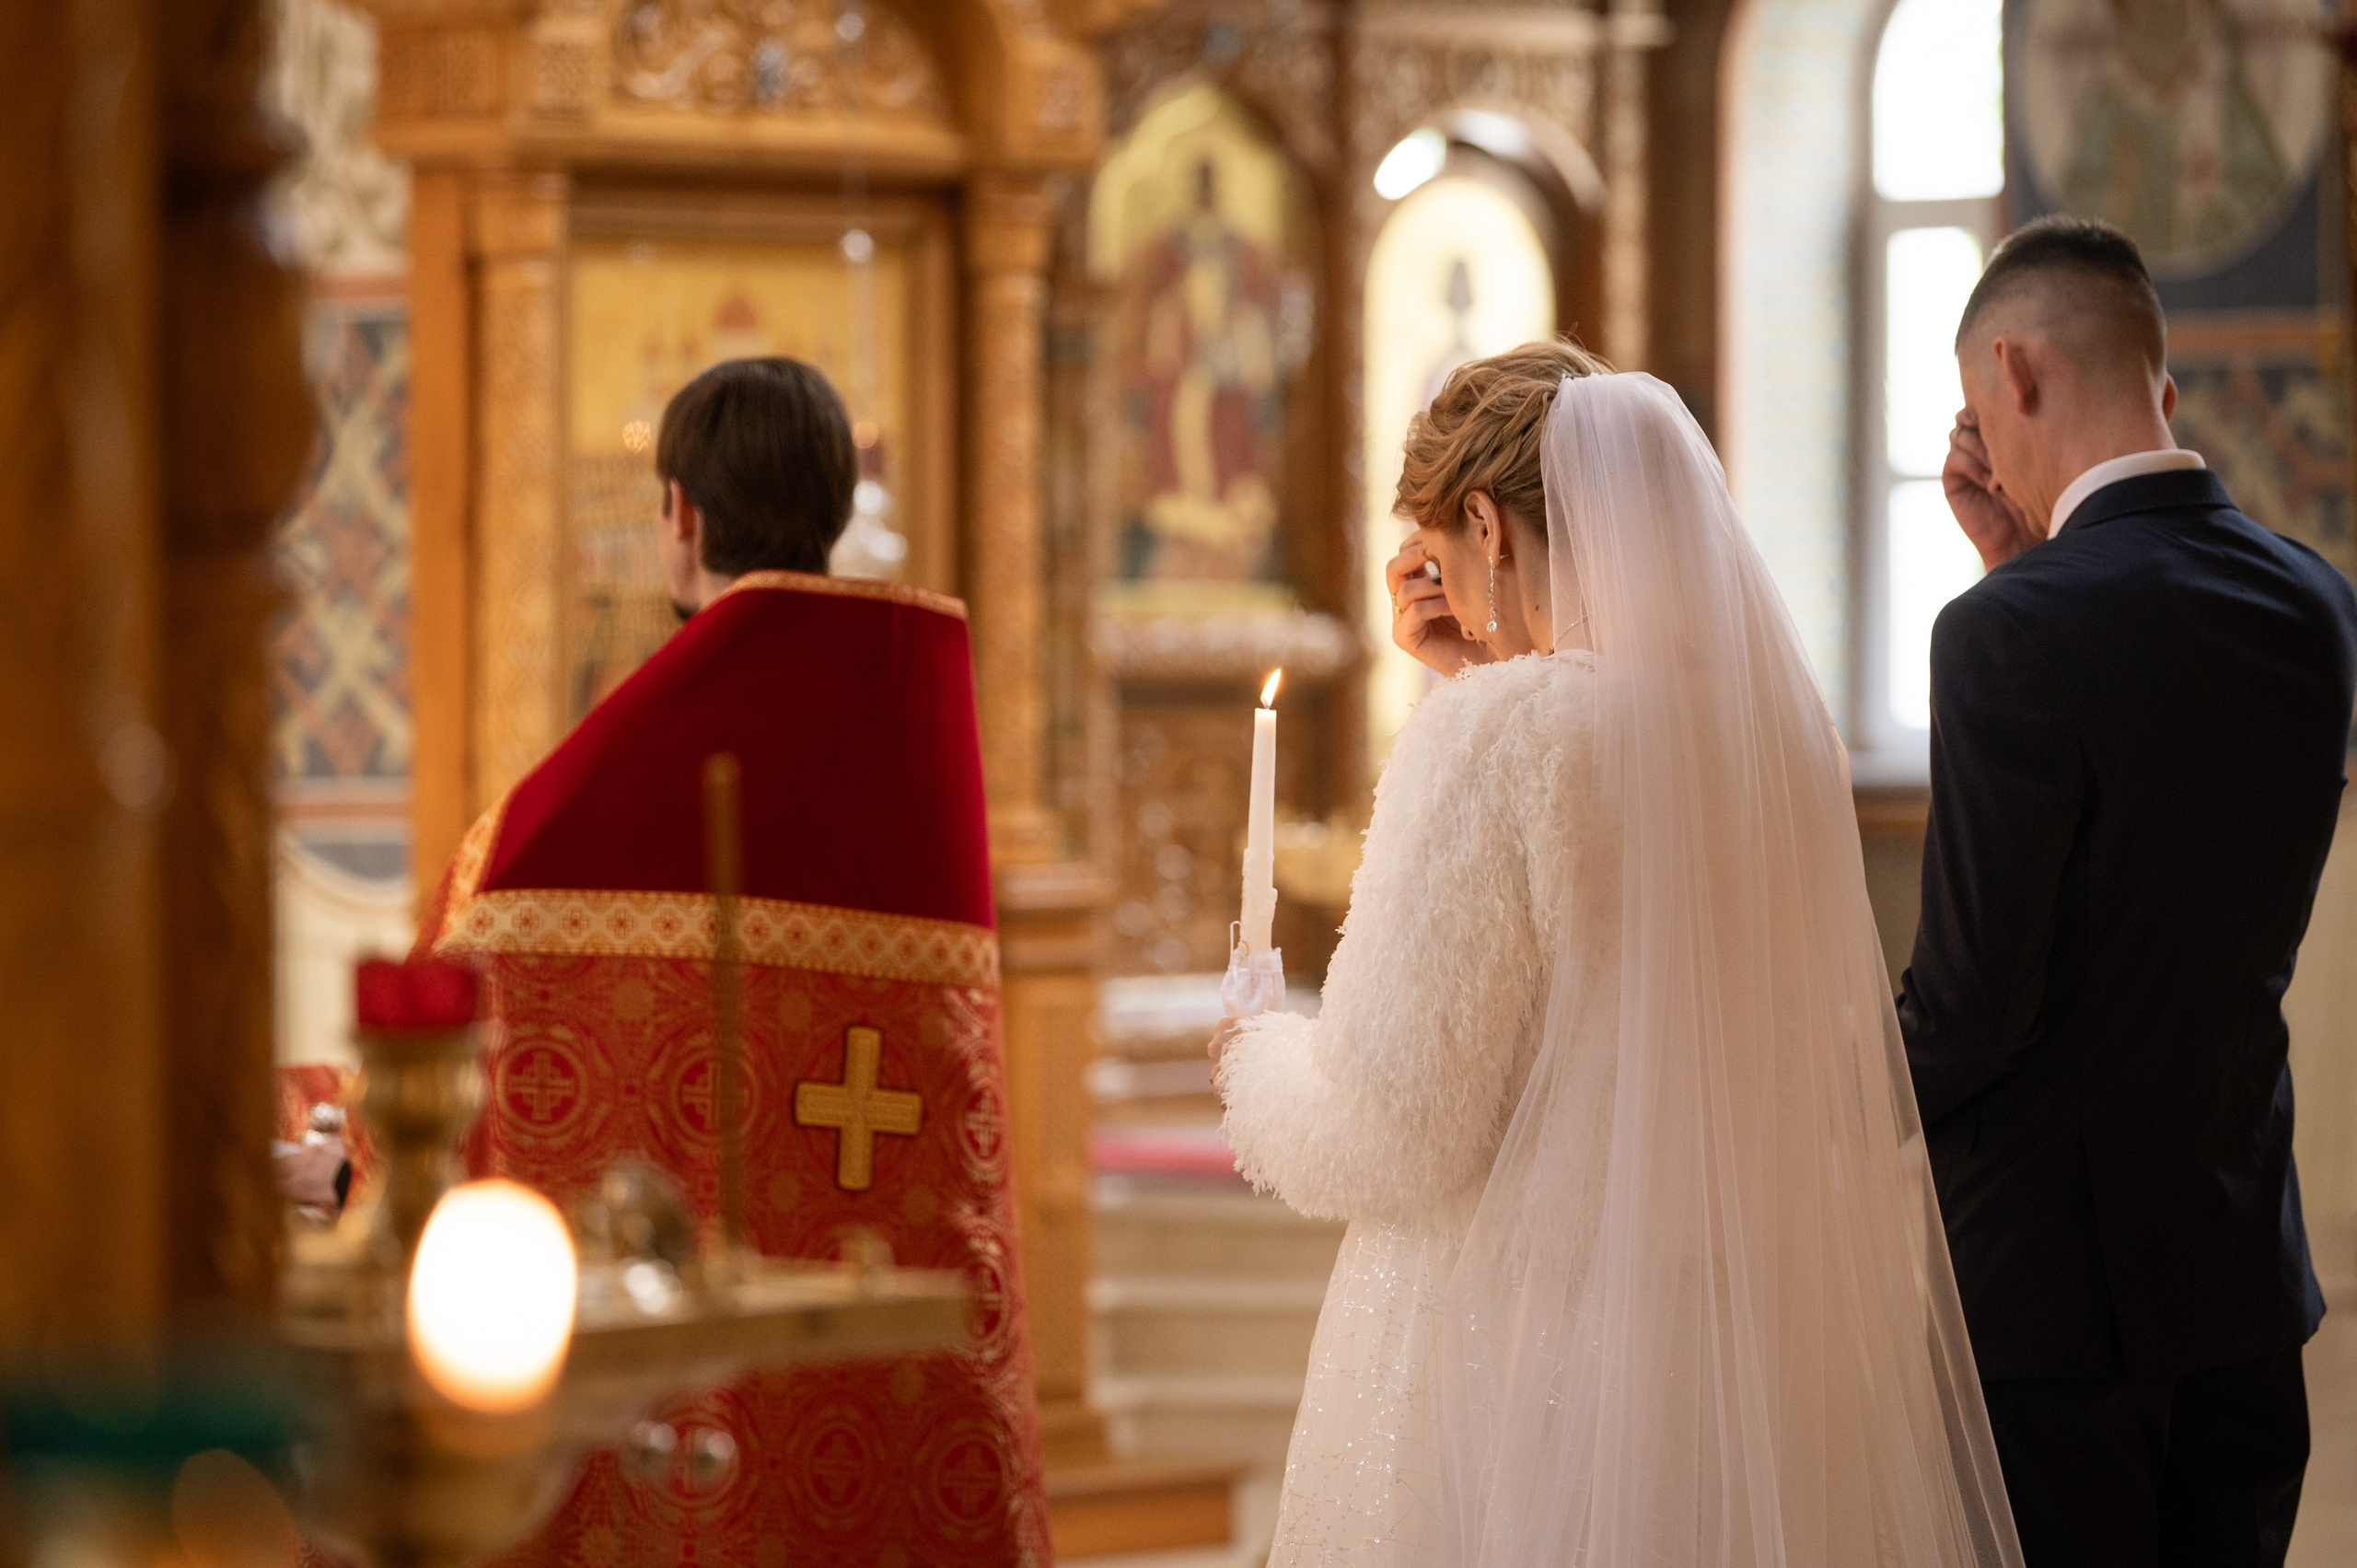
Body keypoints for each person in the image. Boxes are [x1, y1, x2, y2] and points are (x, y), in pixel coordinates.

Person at [1211, 341, 2024, 1566]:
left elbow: (1393, 1129)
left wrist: (1254, 1051)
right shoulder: (1768, 733)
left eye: (1444, 554)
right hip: (1728, 1344)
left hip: (1521, 1345)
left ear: (1485, 523)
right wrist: (1483, 670)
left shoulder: (1500, 735)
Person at [416, 357, 1051, 1567]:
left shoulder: (594, 785)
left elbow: (453, 1006)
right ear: (833, 513)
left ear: (683, 516)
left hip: (675, 1439)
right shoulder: (910, 730)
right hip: (888, 1400)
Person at [1904, 215, 2357, 1567]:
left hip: (2050, 1318)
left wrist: (1813, 1105)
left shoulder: (2006, 637)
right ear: (2159, 385)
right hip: (2237, 1283)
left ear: (2016, 371)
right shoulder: (2318, 603)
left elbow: (1976, 1010)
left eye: (1983, 409)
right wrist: (2018, 570)